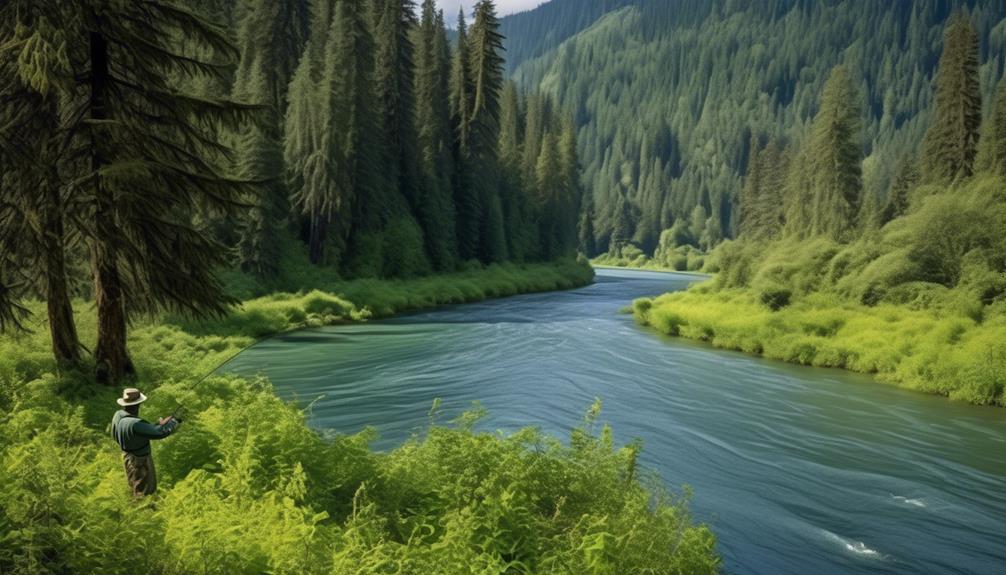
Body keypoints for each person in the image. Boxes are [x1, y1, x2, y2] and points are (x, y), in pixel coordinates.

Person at [111, 388, 181, 497]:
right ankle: (144, 511)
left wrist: (159, 423)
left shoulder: (118, 415)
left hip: (127, 456)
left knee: (133, 484)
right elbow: (160, 433)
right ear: (138, 404)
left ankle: (136, 507)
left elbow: (139, 430)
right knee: (144, 491)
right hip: (139, 460)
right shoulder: (135, 423)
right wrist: (173, 422)